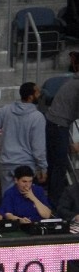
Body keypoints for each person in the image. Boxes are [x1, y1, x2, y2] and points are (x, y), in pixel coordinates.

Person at [44, 51, 79, 206]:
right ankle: (56, 204)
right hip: (58, 126)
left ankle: (53, 200)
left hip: (54, 124)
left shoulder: (73, 81)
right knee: (59, 166)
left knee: (55, 166)